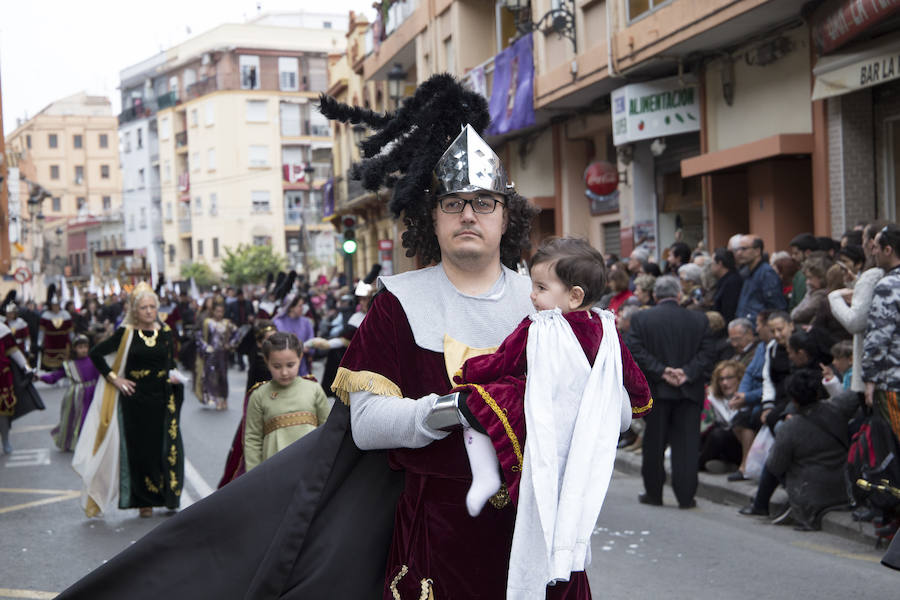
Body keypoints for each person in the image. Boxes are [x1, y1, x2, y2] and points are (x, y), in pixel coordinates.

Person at [54, 74, 570, 599]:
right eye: (453, 202)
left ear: (506, 216)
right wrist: (457, 409)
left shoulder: (546, 301)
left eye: (483, 203)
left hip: (537, 524)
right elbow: (366, 423)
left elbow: (605, 406)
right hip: (433, 534)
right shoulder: (398, 302)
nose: (467, 214)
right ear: (430, 217)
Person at [448, 237, 651, 525]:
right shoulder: (605, 326)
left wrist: (467, 373)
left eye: (541, 288)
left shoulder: (539, 326)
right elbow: (628, 369)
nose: (532, 295)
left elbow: (505, 360)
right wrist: (639, 403)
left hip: (543, 405)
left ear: (575, 296)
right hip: (584, 419)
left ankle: (485, 474)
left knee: (474, 403)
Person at [73, 282, 183, 518]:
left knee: (164, 449)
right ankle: (144, 501)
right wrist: (115, 379)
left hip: (163, 399)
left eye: (152, 306)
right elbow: (96, 354)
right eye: (143, 307)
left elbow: (169, 362)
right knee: (141, 452)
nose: (149, 311)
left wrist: (174, 377)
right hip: (136, 402)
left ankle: (167, 496)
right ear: (134, 310)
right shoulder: (127, 334)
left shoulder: (165, 332)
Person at [626, 275, 715, 508]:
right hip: (689, 391)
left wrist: (662, 371)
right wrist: (686, 373)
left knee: (654, 444)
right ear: (679, 296)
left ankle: (654, 493)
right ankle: (686, 496)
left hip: (657, 391)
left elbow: (634, 349)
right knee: (687, 445)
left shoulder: (641, 319)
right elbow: (707, 354)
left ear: (655, 296)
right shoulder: (699, 320)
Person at [766, 369, 858, 530]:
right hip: (844, 490)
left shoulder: (788, 428)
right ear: (817, 393)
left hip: (809, 499)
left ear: (793, 401)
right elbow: (857, 392)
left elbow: (774, 466)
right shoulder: (838, 408)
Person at [243, 332, 331, 471]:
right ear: (266, 361)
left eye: (290, 365)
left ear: (300, 357)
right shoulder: (259, 395)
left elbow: (328, 430)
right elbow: (252, 439)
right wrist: (254, 475)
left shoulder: (313, 389)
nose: (284, 372)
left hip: (309, 467)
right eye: (277, 366)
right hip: (274, 471)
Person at [829, 221, 888, 396]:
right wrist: (857, 283)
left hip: (874, 376)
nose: (861, 245)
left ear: (872, 243)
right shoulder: (885, 274)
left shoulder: (872, 275)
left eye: (863, 239)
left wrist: (835, 297)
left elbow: (855, 322)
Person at [217, 319, 278, 488]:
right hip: (258, 412)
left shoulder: (270, 357)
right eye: (269, 339)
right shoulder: (261, 360)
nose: (273, 343)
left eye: (276, 338)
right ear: (259, 343)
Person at [862, 224, 900, 443]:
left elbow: (878, 337)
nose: (872, 252)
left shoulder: (888, 285)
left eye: (876, 247)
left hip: (893, 380)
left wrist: (870, 378)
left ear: (888, 250)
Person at [41, 334, 100, 452]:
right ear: (74, 349)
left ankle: (91, 443)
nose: (83, 349)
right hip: (76, 397)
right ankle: (78, 443)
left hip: (93, 394)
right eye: (80, 347)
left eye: (85, 346)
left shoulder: (94, 360)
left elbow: (101, 376)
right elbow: (55, 376)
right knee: (77, 420)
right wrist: (40, 377)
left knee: (92, 419)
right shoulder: (70, 365)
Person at [700, 360, 746, 473]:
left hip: (739, 445)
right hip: (721, 444)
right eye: (721, 379)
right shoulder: (715, 397)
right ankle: (725, 465)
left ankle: (698, 464)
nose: (725, 383)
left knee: (718, 435)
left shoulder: (746, 397)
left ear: (739, 378)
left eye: (729, 378)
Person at [0, 320, 35, 454]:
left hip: (2, 377)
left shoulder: (2, 328)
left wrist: (26, 368)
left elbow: (13, 350)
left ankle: (5, 441)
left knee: (2, 412)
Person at [194, 300, 236, 410]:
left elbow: (237, 334)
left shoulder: (227, 323)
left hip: (223, 354)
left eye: (221, 311)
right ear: (213, 311)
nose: (219, 314)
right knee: (212, 377)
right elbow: (199, 336)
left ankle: (224, 398)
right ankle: (217, 399)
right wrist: (206, 347)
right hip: (211, 354)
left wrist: (230, 344)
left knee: (223, 377)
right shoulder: (208, 323)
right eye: (217, 311)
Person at [735, 235, 787, 323]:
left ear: (757, 251)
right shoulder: (747, 273)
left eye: (744, 249)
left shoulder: (767, 274)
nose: (739, 253)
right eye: (738, 249)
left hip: (758, 330)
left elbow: (776, 307)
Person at [38, 285, 74, 371]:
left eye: (57, 305)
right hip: (50, 344)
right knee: (50, 366)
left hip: (63, 343)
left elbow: (71, 332)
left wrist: (74, 341)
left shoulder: (65, 315)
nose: (55, 307)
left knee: (64, 365)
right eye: (54, 305)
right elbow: (41, 332)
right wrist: (39, 343)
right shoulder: (45, 316)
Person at [711, 248, 742, 322]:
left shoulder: (732, 282)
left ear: (719, 264)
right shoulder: (724, 280)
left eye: (712, 263)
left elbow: (728, 311)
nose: (710, 267)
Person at [788, 232, 818, 309]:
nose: (793, 257)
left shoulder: (821, 272)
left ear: (807, 252)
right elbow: (793, 303)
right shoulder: (798, 275)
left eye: (796, 253)